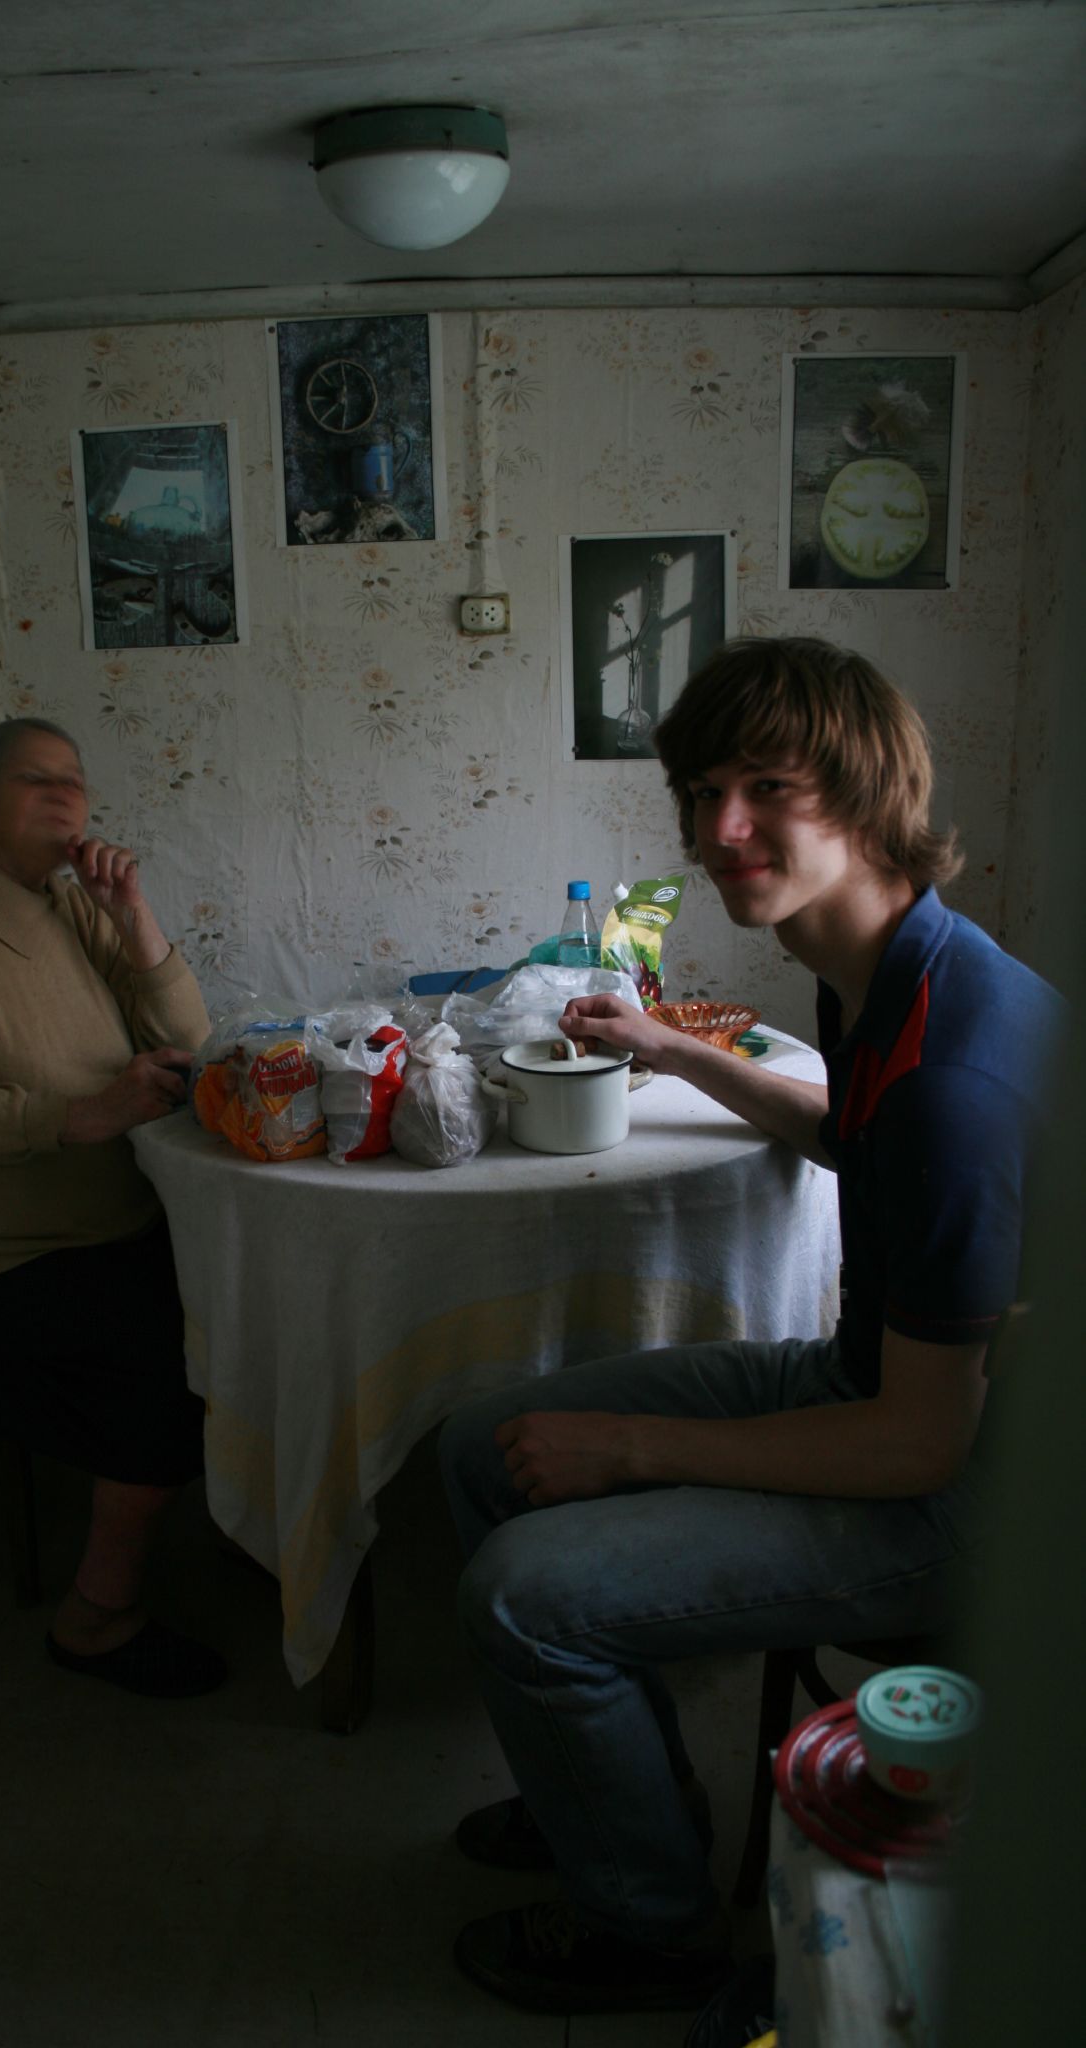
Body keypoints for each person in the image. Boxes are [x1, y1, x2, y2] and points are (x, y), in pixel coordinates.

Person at [440, 636, 1061, 2013]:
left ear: (866, 794)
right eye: (700, 791)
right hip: (880, 1387)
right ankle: (599, 1800)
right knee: (482, 1443)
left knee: (522, 1595)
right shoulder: (893, 962)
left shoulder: (957, 1068)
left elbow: (913, 1446)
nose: (721, 832)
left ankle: (647, 1927)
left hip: (965, 1495)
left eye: (768, 787)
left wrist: (630, 1450)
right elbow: (857, 1134)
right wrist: (671, 1048)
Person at [0, 716, 222, 1698]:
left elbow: (188, 1030)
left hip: (104, 1212)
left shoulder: (67, 901)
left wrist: (131, 909)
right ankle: (95, 1616)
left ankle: (238, 1516)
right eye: (33, 780)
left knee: (244, 1300)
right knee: (163, 1360)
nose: (66, 797)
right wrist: (89, 1112)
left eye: (76, 780)